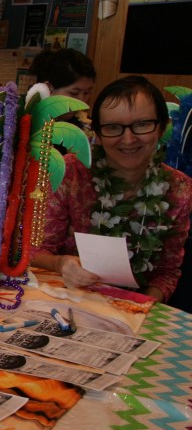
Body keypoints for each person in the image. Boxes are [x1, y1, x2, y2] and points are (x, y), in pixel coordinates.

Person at [31, 75, 192, 302]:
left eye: (142, 125)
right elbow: (35, 250)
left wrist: (141, 306)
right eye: (113, 127)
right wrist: (60, 263)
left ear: (162, 127)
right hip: (63, 299)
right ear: (97, 133)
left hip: (134, 307)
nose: (128, 139)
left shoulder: (179, 188)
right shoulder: (69, 173)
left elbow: (167, 272)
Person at [29, 47, 97, 142]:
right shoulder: (27, 123)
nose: (82, 102)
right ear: (49, 88)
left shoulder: (87, 126)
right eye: (74, 93)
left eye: (86, 93)